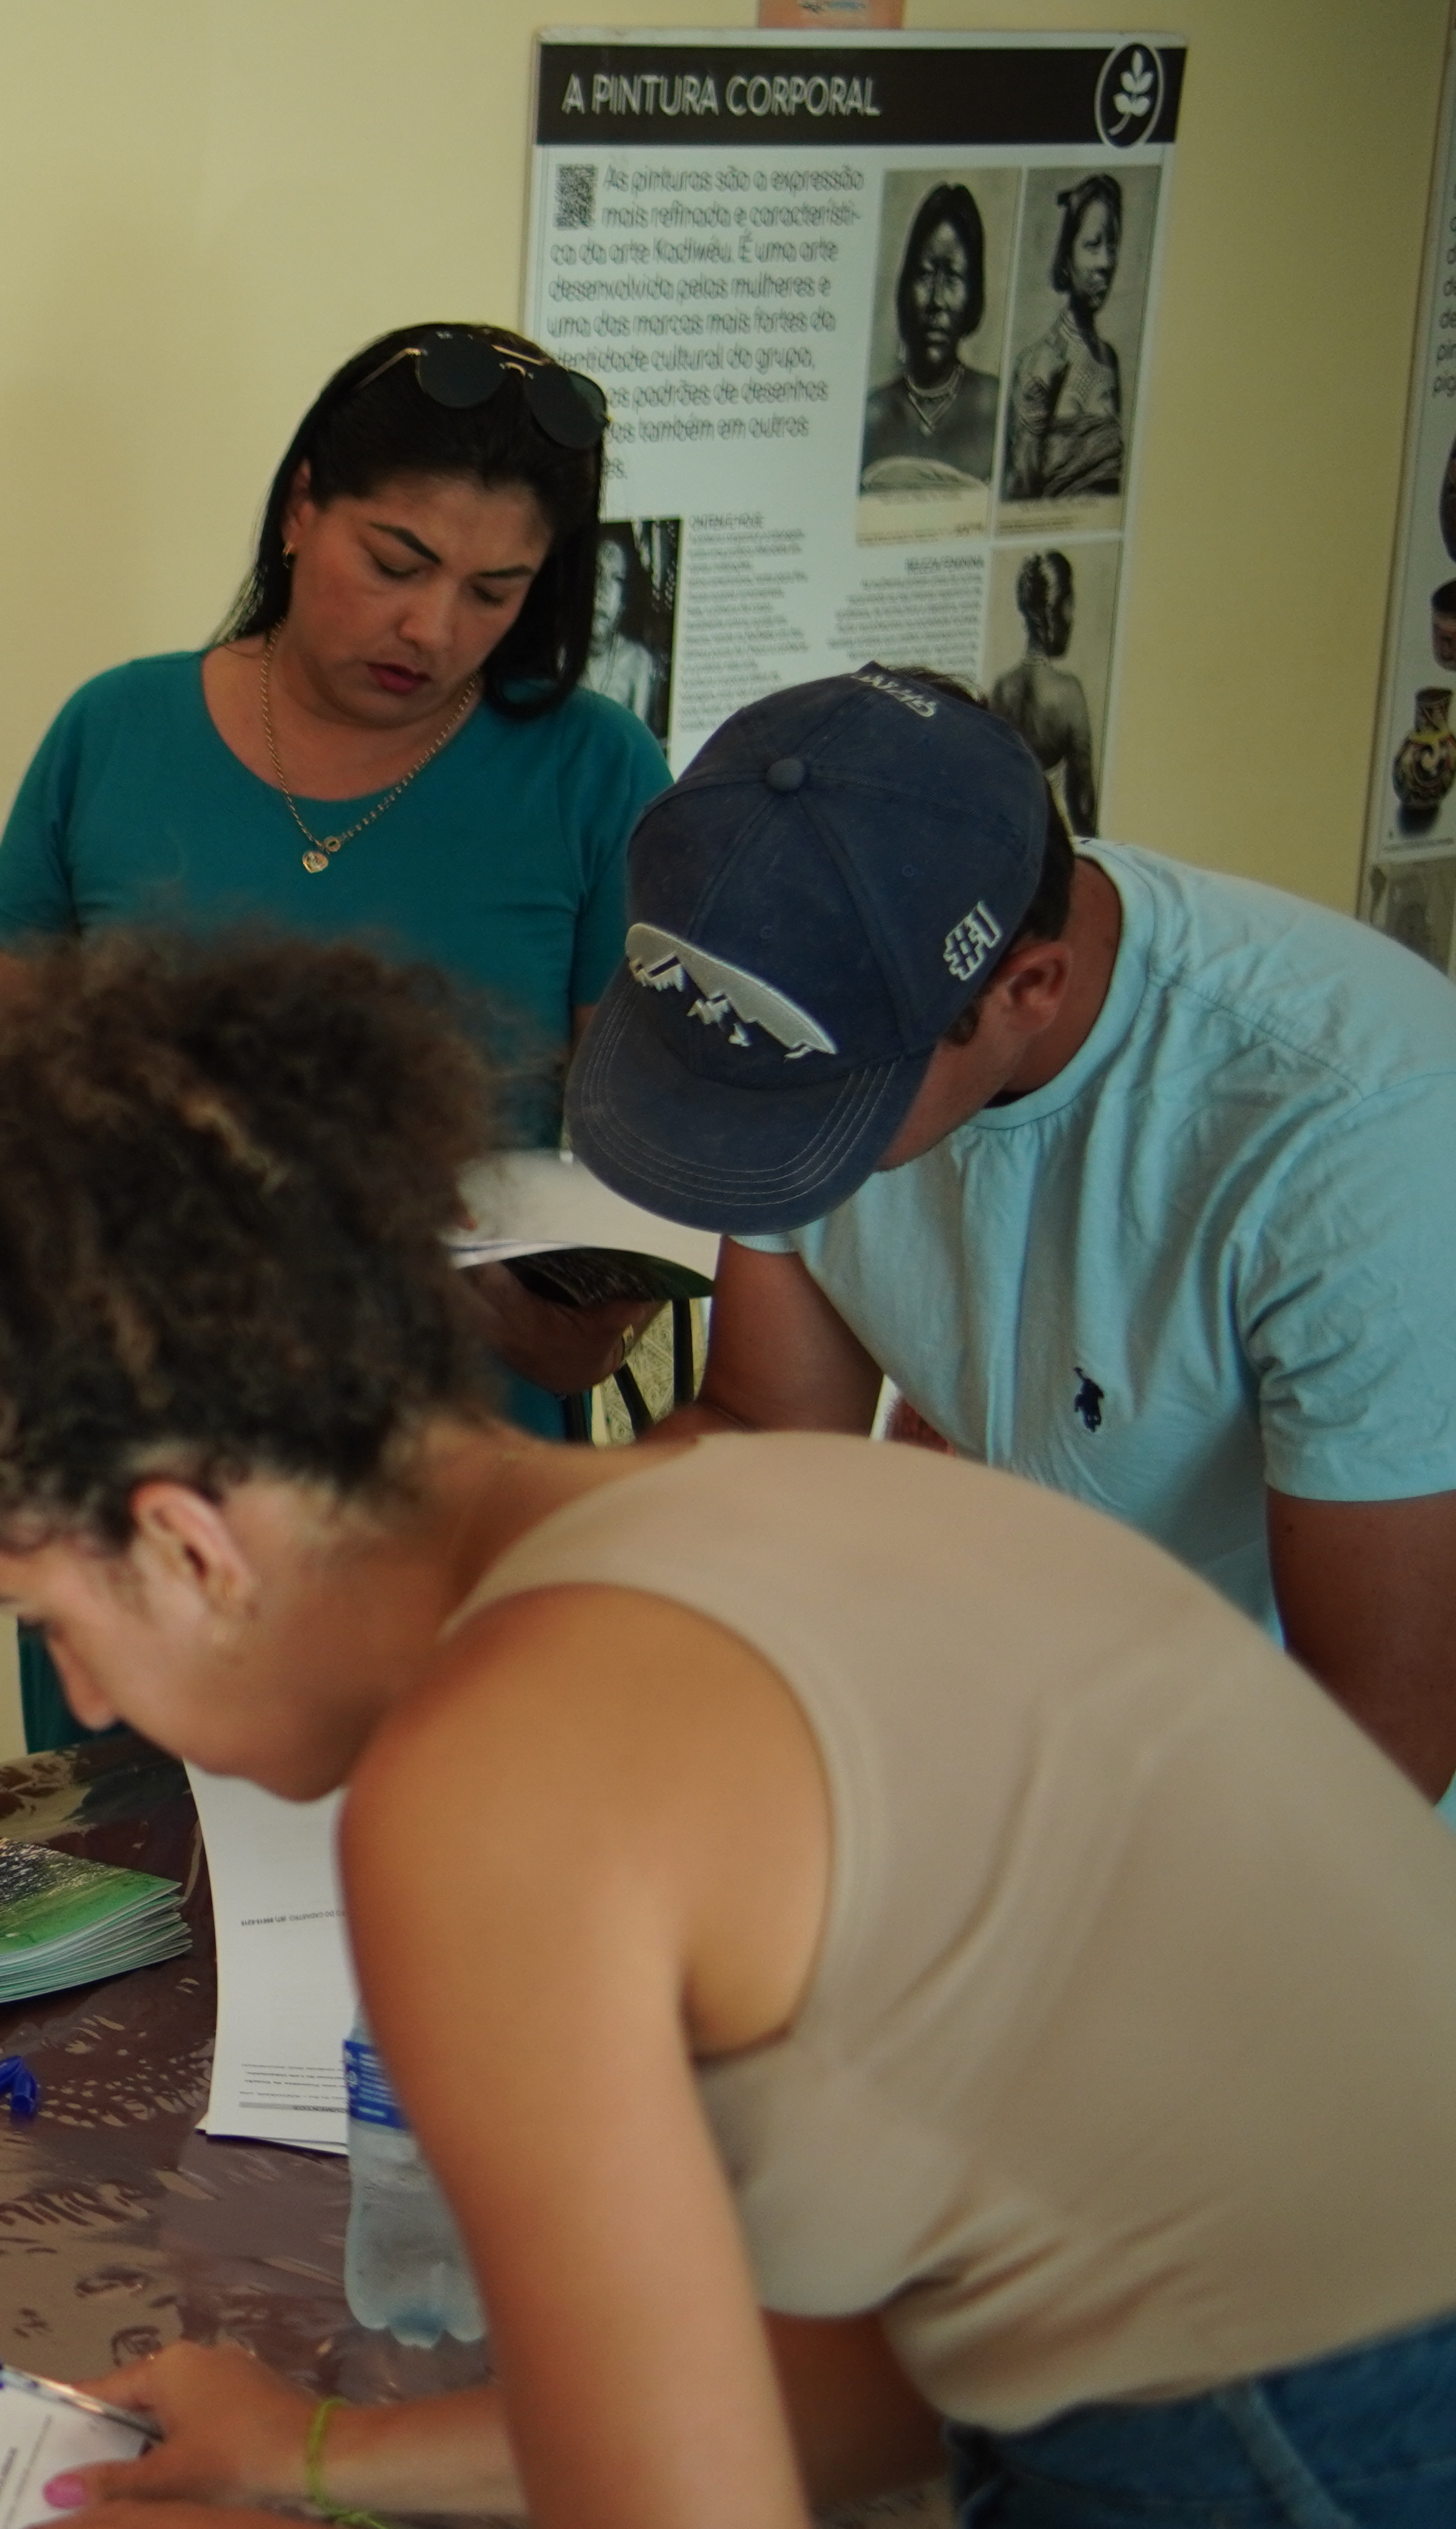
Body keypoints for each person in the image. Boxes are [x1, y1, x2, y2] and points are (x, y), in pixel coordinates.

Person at [0, 941, 1456, 2529]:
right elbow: (933, 2336)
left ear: (184, 1541)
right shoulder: (784, 1510)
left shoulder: (494, 1783)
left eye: (44, 1615)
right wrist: (330, 2454)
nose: (81, 1695)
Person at [575, 665, 1456, 1813]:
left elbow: (1378, 1739)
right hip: (1017, 1731)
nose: (766, 1147)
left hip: (1286, 1833)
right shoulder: (824, 982)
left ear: (1028, 987)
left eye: (809, 1118)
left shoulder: (1356, 1141)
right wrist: (501, 1533)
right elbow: (772, 1440)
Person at [0, 321, 667, 1741]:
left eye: (495, 590)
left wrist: (585, 1299)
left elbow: (635, 1153)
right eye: (395, 564)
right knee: (144, 1922)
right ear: (299, 510)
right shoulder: (117, 730)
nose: (433, 630)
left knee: (439, 1914)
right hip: (143, 1482)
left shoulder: (595, 770)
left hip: (447, 1477)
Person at [858, 184, 1001, 496]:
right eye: (924, 275)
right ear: (904, 289)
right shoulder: (871, 417)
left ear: (973, 293)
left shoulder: (998, 408)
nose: (937, 300)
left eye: (952, 277)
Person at [1002, 174, 1129, 503]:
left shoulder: (1108, 359)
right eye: (1092, 245)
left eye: (1112, 246)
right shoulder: (1042, 362)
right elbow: (1019, 493)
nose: (1106, 263)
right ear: (1067, 257)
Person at [985, 548, 1100, 831]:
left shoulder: (1001, 688)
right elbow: (1082, 801)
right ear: (1062, 608)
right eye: (1071, 605)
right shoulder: (1068, 693)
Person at [575, 530, 665, 741]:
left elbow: (638, 747)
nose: (603, 591)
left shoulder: (638, 663)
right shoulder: (555, 658)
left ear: (625, 598)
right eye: (596, 574)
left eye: (615, 578)